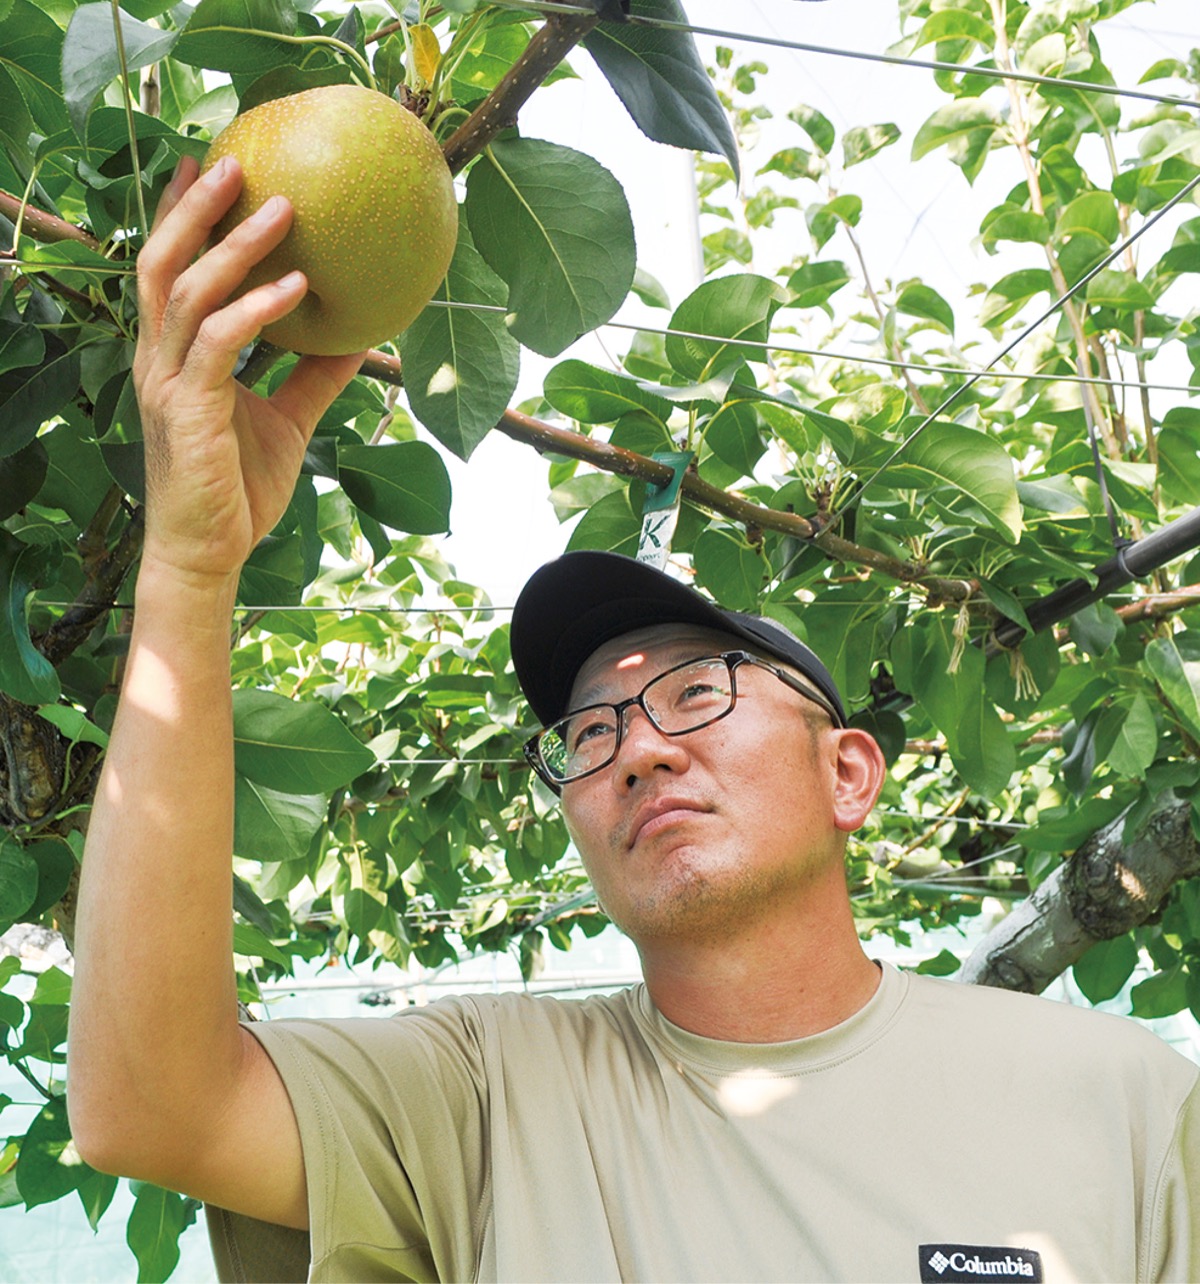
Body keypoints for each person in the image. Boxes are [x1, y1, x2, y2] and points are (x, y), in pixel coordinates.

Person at [66, 157, 1198, 1284]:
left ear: (851, 772)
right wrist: (189, 563)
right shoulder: (485, 1092)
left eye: (700, 692)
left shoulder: (1129, 1101)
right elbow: (149, 1107)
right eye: (589, 733)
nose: (639, 749)